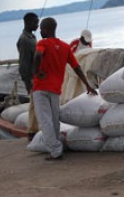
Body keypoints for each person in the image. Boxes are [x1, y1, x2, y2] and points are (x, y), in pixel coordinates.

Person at [32, 17, 97, 160]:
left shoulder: (42, 43)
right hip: (55, 89)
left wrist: (37, 72)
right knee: (54, 120)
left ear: (47, 29)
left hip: (40, 87)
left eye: (41, 29)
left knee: (45, 120)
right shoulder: (65, 47)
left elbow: (37, 55)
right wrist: (87, 84)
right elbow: (76, 67)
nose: (40, 32)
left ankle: (55, 150)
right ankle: (55, 147)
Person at [16, 12, 39, 141]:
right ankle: (32, 131)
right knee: (34, 105)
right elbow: (24, 64)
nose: (37, 24)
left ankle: (35, 129)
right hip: (31, 77)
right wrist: (28, 82)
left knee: (36, 104)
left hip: (36, 77)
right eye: (36, 22)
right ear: (29, 22)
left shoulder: (31, 37)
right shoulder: (25, 40)